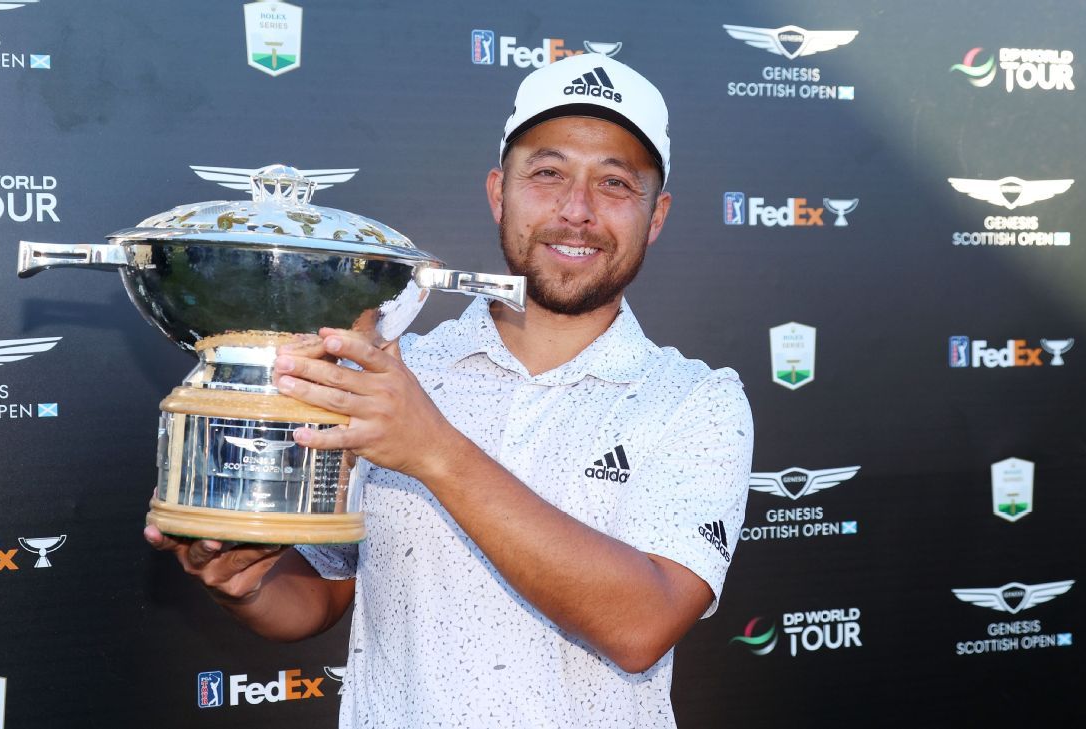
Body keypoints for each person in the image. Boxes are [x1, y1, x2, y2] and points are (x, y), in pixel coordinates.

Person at [145, 52, 753, 728]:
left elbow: (642, 624)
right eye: (547, 173)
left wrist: (432, 447)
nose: (576, 210)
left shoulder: (696, 400)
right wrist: (243, 582)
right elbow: (318, 594)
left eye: (614, 183)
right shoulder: (397, 374)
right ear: (500, 191)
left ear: (657, 214)